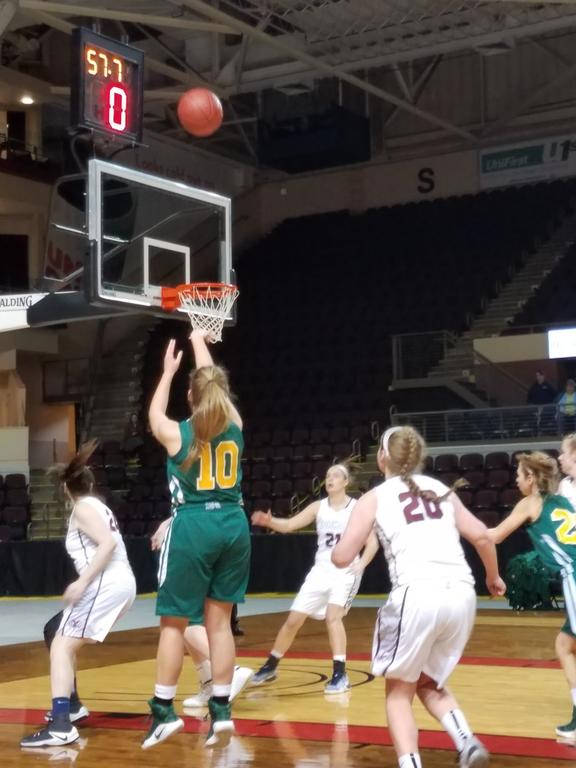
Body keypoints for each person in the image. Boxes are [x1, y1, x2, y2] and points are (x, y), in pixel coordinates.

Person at [332, 426, 505, 768]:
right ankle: (465, 740)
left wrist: (347, 538)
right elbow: (483, 537)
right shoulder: (442, 489)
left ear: (382, 457)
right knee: (428, 680)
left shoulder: (374, 497)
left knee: (399, 692)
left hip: (418, 593)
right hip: (462, 593)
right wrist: (493, 576)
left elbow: (341, 557)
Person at [143, 330, 250, 750]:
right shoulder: (235, 426)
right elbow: (212, 382)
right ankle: (221, 709)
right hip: (234, 524)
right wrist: (198, 339)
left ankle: (163, 710)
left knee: (174, 622)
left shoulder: (178, 434)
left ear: (190, 396)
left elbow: (154, 416)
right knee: (219, 623)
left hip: (194, 525)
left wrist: (168, 372)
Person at [20, 440, 136, 748]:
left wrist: (82, 582)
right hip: (119, 582)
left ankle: (61, 725)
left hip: (105, 583)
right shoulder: (98, 506)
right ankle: (71, 705)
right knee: (54, 630)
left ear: (65, 489)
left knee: (61, 645)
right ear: (90, 484)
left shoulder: (83, 508)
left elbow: (107, 544)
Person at [250, 464, 380, 694]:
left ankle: (340, 674)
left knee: (333, 617)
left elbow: (372, 542)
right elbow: (289, 525)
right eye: (328, 475)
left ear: (346, 482)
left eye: (336, 475)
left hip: (346, 572)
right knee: (293, 619)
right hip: (320, 571)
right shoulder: (318, 507)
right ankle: (271, 665)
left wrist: (361, 564)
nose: (330, 478)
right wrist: (270, 522)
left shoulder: (356, 508)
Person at [487, 449, 576, 738]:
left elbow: (495, 536)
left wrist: (456, 525)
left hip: (574, 574)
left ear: (532, 478)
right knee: (565, 645)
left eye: (519, 475)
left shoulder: (531, 502)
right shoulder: (563, 500)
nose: (515, 480)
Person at [149, 519, 253, 709]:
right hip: (232, 527)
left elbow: (195, 505)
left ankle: (231, 672)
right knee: (204, 618)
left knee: (179, 617)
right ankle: (209, 682)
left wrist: (169, 523)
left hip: (194, 528)